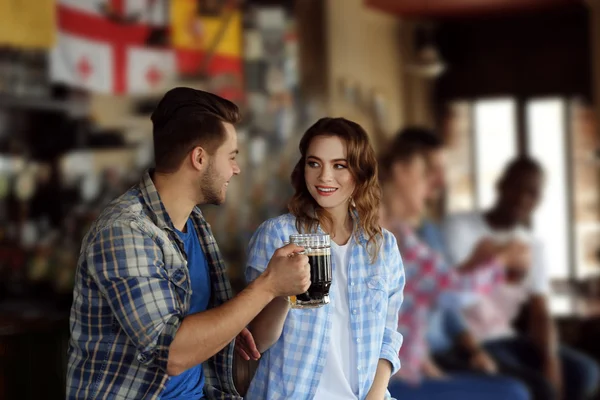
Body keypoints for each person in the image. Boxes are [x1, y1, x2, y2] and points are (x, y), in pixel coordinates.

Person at [66, 87, 311, 400]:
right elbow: (172, 353)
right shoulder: (124, 231)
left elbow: (195, 328)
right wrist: (268, 285)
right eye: (231, 156)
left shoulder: (194, 222)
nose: (236, 169)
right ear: (199, 158)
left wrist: (224, 332)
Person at [244, 117, 404, 399]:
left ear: (360, 172)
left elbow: (388, 335)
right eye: (314, 163)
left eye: (339, 165)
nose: (324, 177)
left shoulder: (383, 246)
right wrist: (282, 290)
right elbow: (256, 342)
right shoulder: (277, 235)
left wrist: (375, 395)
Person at [379, 133, 530, 400]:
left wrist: (435, 374)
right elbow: (454, 291)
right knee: (513, 393)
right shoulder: (372, 236)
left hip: (405, 376)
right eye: (425, 174)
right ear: (401, 171)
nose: (431, 188)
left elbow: (410, 322)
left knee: (513, 388)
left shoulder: (406, 238)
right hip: (379, 385)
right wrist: (501, 261)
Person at [443, 156, 600, 400]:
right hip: (468, 343)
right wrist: (498, 260)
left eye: (533, 193)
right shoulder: (458, 227)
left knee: (586, 372)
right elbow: (449, 294)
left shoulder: (533, 245)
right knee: (538, 387)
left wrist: (551, 360)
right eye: (517, 187)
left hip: (508, 340)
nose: (522, 198)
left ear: (539, 200)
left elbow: (541, 311)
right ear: (501, 185)